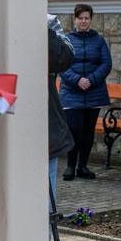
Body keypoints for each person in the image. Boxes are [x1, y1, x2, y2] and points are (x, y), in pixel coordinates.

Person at [59, 3, 112, 181]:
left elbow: (106, 63)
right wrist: (77, 80)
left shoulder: (98, 40)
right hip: (72, 92)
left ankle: (83, 166)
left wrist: (91, 80)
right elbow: (61, 64)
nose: (83, 21)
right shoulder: (66, 40)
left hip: (94, 92)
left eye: (86, 18)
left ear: (91, 19)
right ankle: (70, 166)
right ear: (75, 19)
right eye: (80, 18)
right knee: (74, 128)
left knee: (88, 131)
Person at [46, 18, 75, 198]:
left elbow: (64, 59)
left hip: (45, 117)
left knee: (46, 198)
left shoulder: (48, 21)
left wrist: (43, 29)